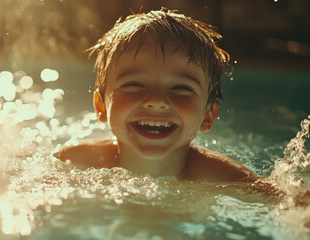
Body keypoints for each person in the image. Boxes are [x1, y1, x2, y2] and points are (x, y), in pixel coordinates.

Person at [56, 8, 258, 182]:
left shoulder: (222, 177)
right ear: (101, 107)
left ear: (207, 116)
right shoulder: (76, 160)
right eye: (134, 84)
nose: (156, 101)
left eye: (181, 88)